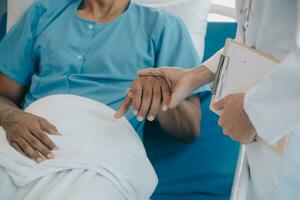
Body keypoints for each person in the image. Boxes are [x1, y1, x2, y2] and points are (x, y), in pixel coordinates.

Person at [0, 0, 209, 199]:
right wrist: (12, 117)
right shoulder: (43, 12)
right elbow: (4, 95)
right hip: (28, 137)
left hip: (103, 147)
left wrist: (160, 94)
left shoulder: (163, 26)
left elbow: (190, 129)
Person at [117, 0, 300, 199]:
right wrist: (198, 75)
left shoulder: (162, 25)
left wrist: (254, 111)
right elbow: (255, 39)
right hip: (267, 156)